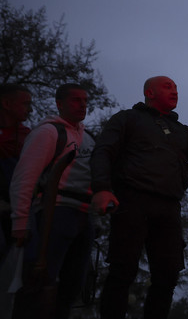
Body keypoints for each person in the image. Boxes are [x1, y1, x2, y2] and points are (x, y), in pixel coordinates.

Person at [90, 76, 188, 319]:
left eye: (177, 88)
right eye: (168, 87)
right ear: (149, 92)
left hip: (169, 207)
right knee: (122, 270)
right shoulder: (128, 118)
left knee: (167, 275)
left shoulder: (183, 131)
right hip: (132, 200)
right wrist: (101, 187)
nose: (175, 91)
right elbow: (103, 151)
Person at [8, 83, 94, 319]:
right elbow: (24, 178)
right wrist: (21, 221)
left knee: (69, 289)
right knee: (38, 283)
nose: (82, 105)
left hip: (84, 215)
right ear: (60, 103)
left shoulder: (89, 138)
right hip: (53, 213)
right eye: (76, 100)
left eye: (85, 100)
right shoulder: (48, 133)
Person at [0, 84, 33, 258]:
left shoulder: (28, 136)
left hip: (17, 207)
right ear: (6, 103)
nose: (30, 109)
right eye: (25, 104)